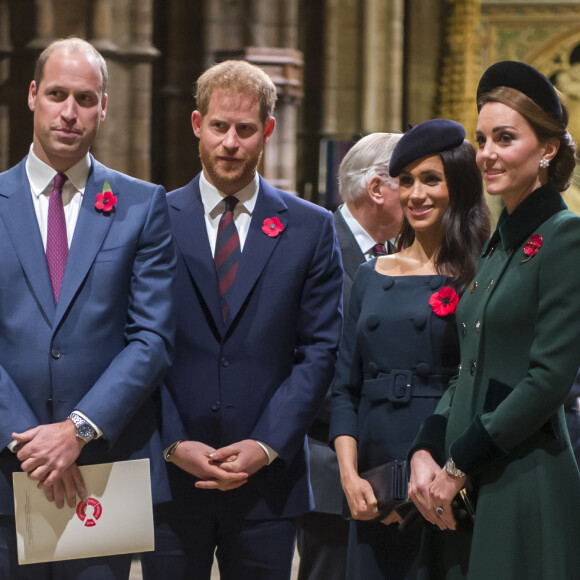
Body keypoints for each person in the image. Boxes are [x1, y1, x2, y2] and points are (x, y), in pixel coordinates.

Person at [140, 59, 343, 580]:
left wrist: (265, 445)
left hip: (267, 485)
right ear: (196, 125)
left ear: (267, 131)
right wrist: (171, 440)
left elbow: (320, 349)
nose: (230, 142)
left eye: (245, 129)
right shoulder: (151, 219)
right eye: (219, 127)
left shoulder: (310, 228)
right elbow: (134, 343)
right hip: (169, 476)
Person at [0, 38, 175, 579]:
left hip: (101, 468)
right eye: (56, 94)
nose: (69, 113)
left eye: (84, 98)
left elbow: (152, 337)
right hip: (8, 464)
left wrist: (75, 430)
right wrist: (33, 443)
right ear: (32, 95)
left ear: (105, 105)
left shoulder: (142, 205)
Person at [408, 61, 580, 579]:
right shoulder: (498, 245)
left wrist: (459, 463)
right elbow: (469, 368)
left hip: (524, 481)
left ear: (547, 149)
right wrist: (426, 446)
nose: (486, 155)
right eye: (482, 140)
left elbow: (547, 379)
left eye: (505, 139)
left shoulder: (565, 237)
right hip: (470, 482)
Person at [330, 119, 490, 580]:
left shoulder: (483, 271)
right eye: (406, 181)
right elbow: (345, 388)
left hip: (448, 470)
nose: (416, 194)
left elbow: (482, 383)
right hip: (373, 475)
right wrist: (349, 475)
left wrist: (453, 473)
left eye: (430, 180)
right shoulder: (370, 273)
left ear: (457, 186)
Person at [297, 132, 404, 580]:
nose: (421, 194)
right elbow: (300, 361)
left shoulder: (405, 256)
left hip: (397, 463)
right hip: (328, 458)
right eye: (411, 180)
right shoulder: (311, 244)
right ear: (377, 188)